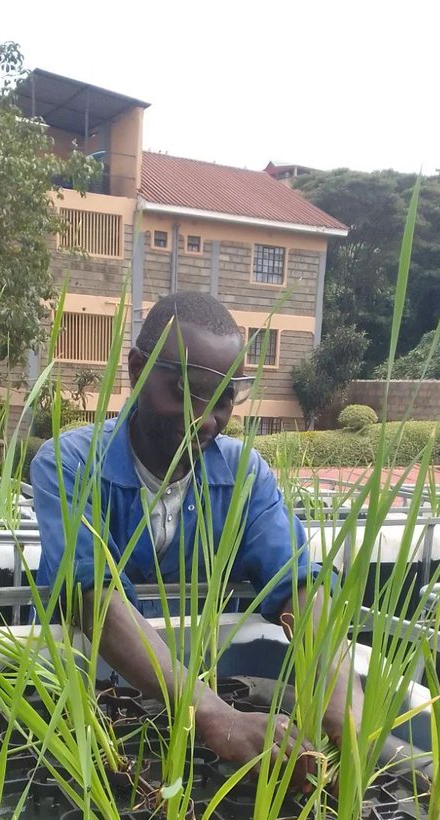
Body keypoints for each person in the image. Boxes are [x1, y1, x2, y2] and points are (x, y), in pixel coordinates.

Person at [31, 291, 361, 781]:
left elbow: (295, 581)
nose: (206, 418)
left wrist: (334, 678)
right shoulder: (72, 464)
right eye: (185, 391)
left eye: (225, 397)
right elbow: (91, 596)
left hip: (208, 673)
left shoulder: (243, 475)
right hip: (98, 694)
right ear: (137, 369)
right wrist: (210, 713)